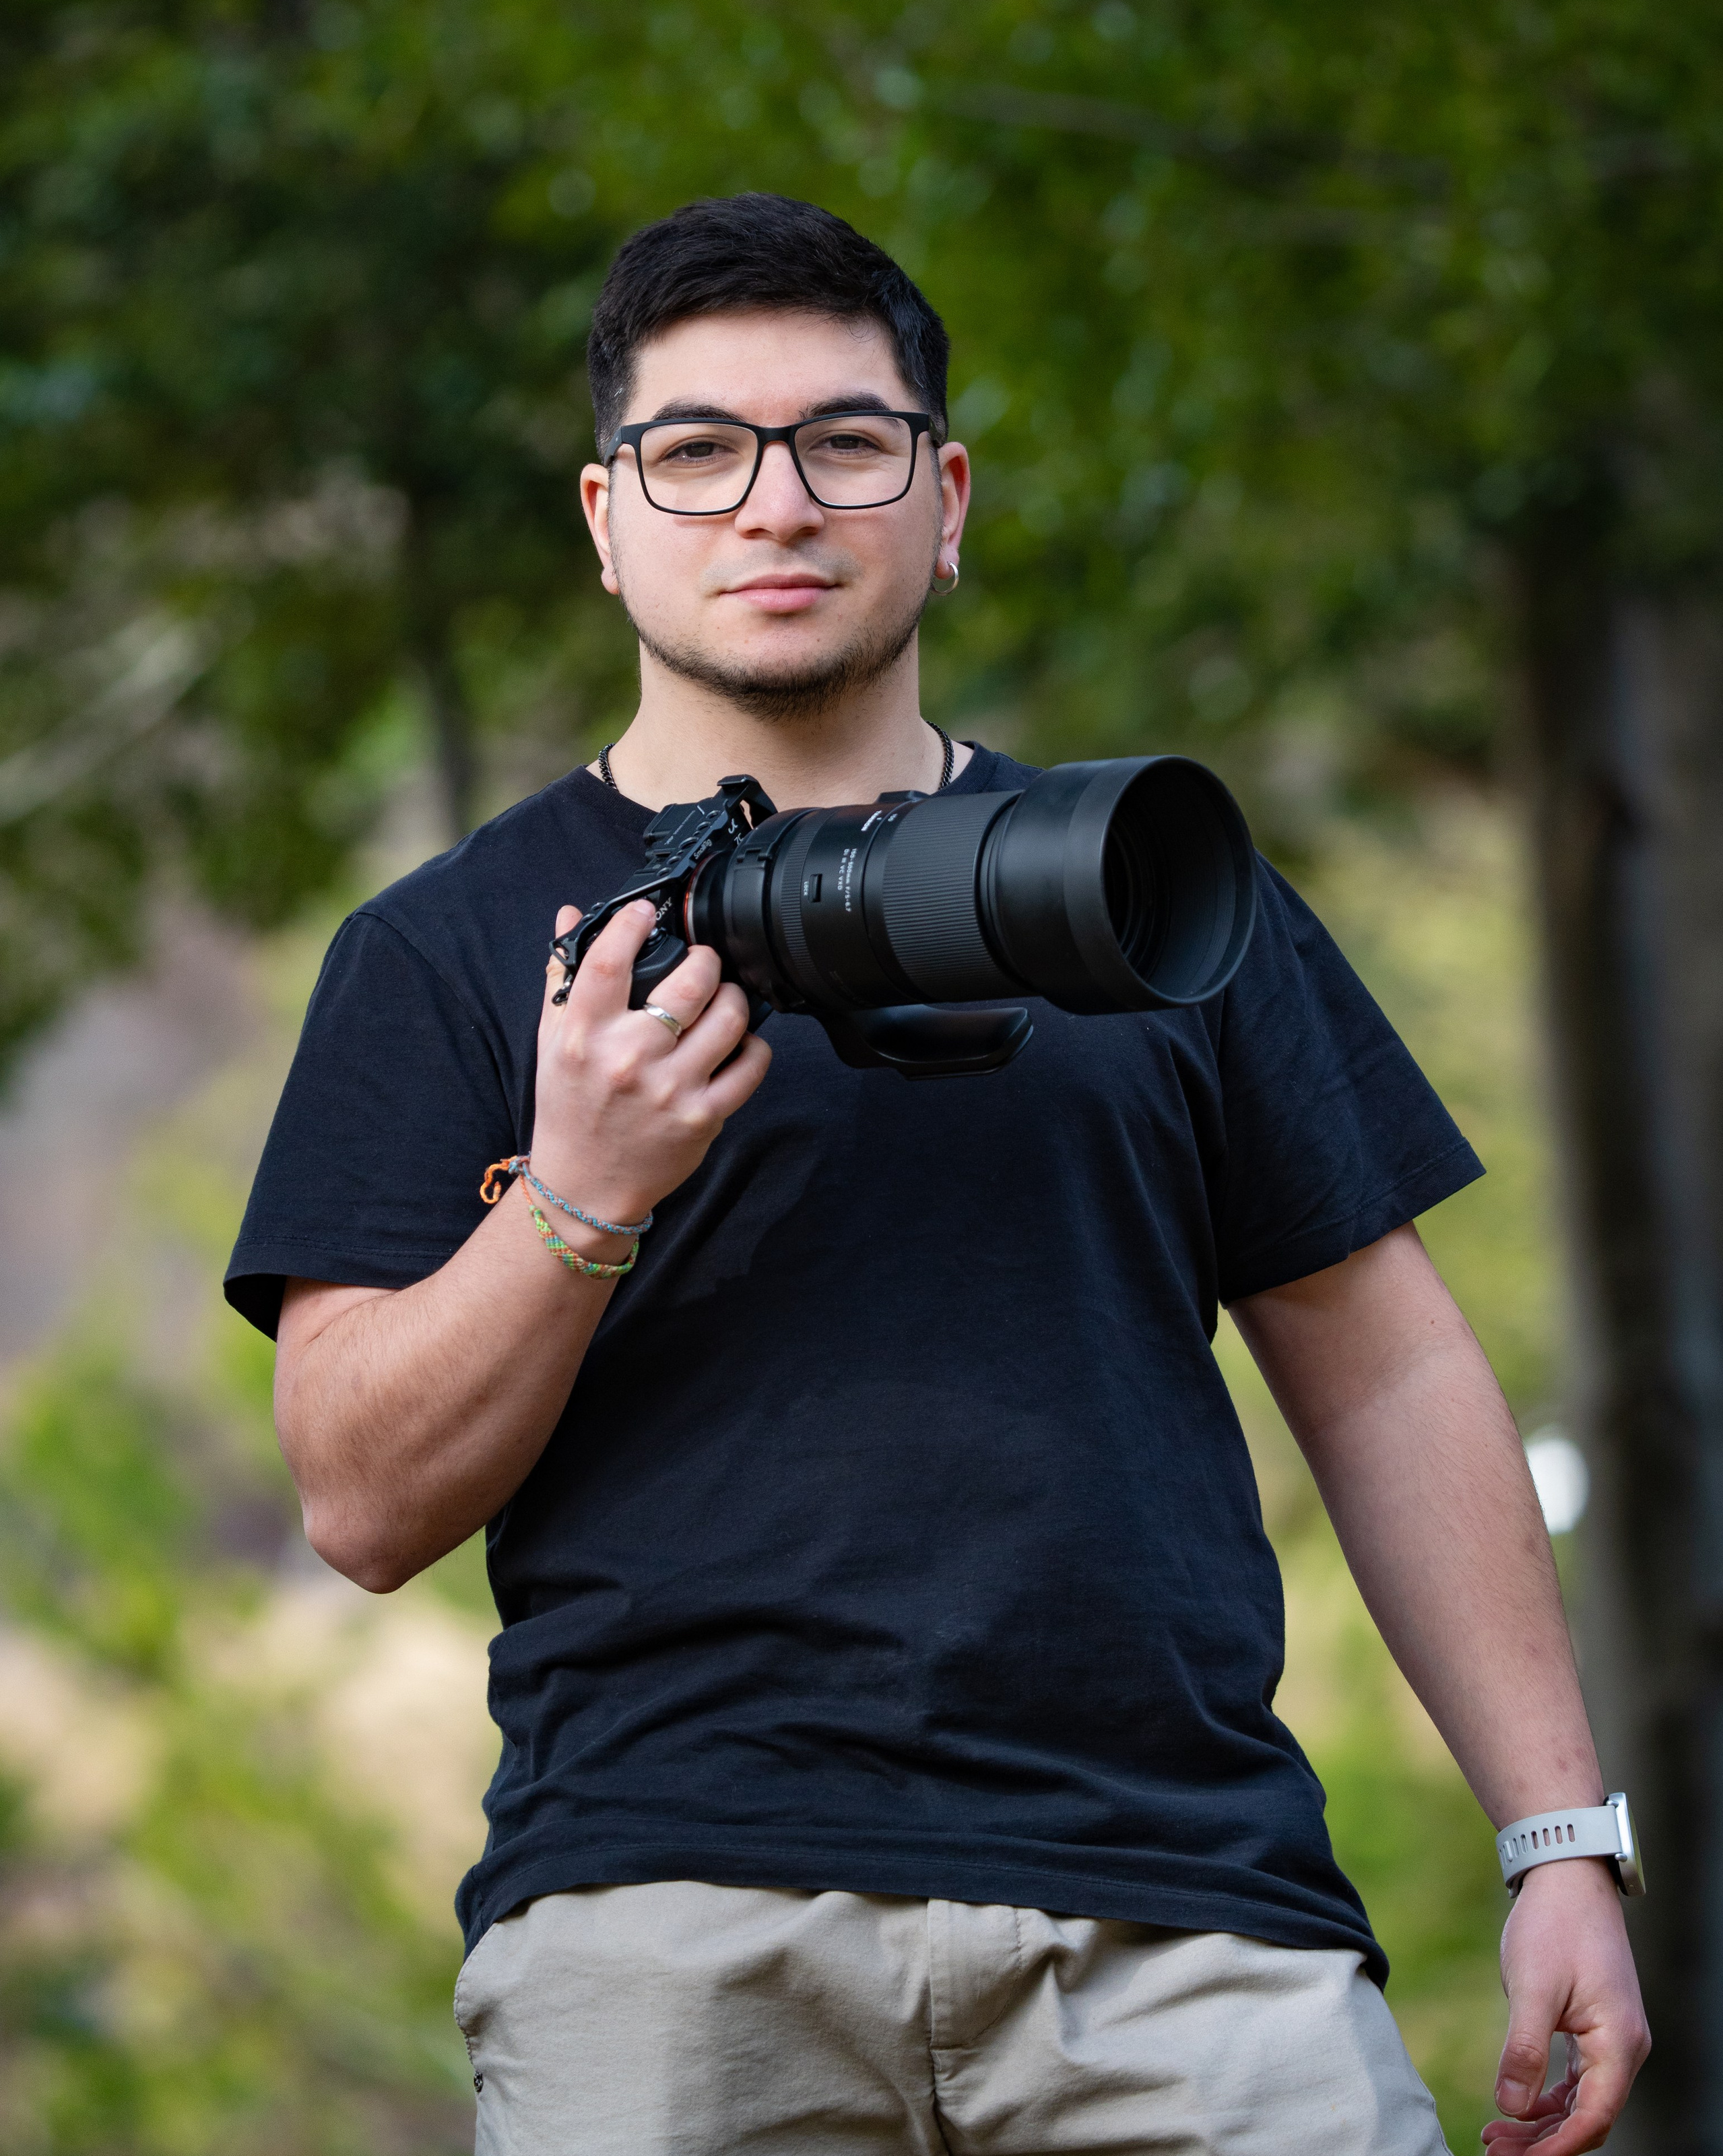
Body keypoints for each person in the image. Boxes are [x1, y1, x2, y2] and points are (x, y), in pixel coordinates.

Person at [226, 193, 1648, 2155]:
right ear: (604, 516)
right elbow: (358, 1495)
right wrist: (579, 1196)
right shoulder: (448, 951)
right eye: (699, 452)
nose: (776, 505)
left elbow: (1391, 1373)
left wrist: (1560, 1839)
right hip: (668, 1931)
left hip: (1191, 1927)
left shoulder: (1158, 894)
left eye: (847, 442)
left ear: (947, 494)